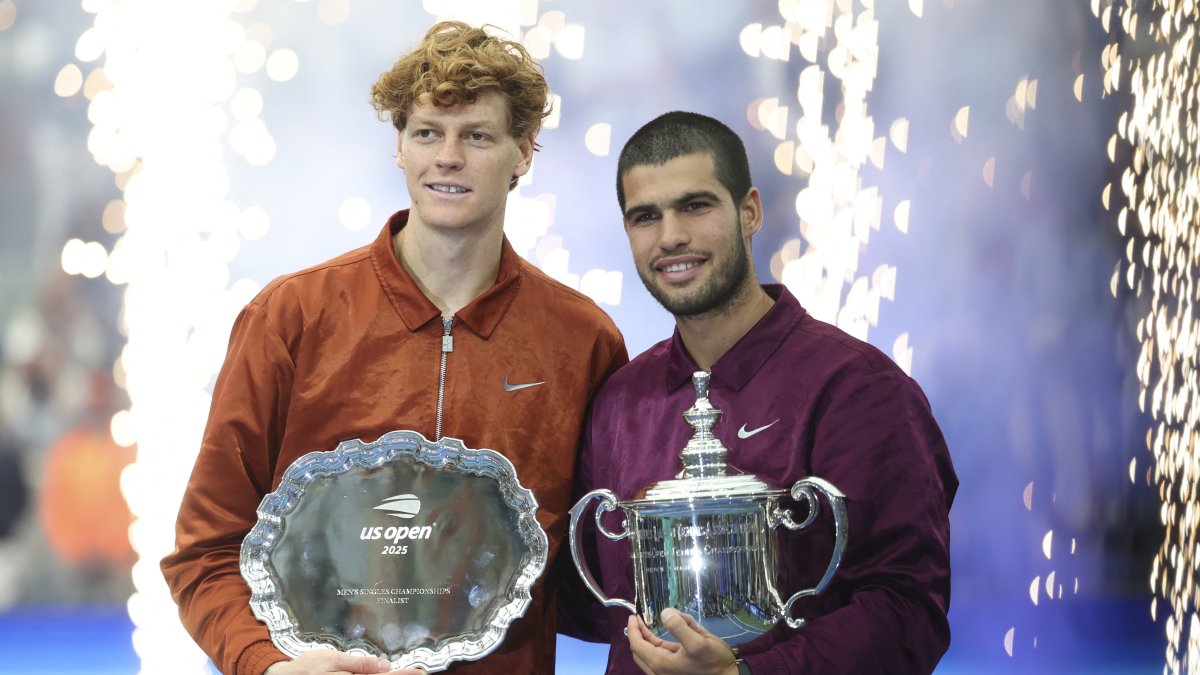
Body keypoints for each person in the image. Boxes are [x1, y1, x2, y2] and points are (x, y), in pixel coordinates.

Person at [161, 21, 628, 675]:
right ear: (400, 148)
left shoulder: (582, 340)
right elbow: (205, 547)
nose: (448, 157)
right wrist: (267, 664)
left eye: (478, 136)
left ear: (524, 151)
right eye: (427, 133)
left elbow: (594, 570)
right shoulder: (290, 316)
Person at [560, 111, 958, 674]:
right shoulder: (619, 401)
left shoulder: (859, 389)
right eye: (646, 216)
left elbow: (907, 609)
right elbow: (592, 598)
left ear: (749, 211)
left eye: (695, 206)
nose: (671, 235)